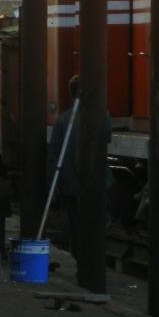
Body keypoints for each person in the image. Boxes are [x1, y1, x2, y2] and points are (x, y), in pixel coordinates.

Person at [47, 74, 111, 259]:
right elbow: (106, 139)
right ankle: (94, 257)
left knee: (76, 225)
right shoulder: (103, 115)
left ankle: (79, 258)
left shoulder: (62, 120)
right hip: (95, 182)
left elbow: (54, 155)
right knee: (95, 222)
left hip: (70, 184)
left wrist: (54, 186)